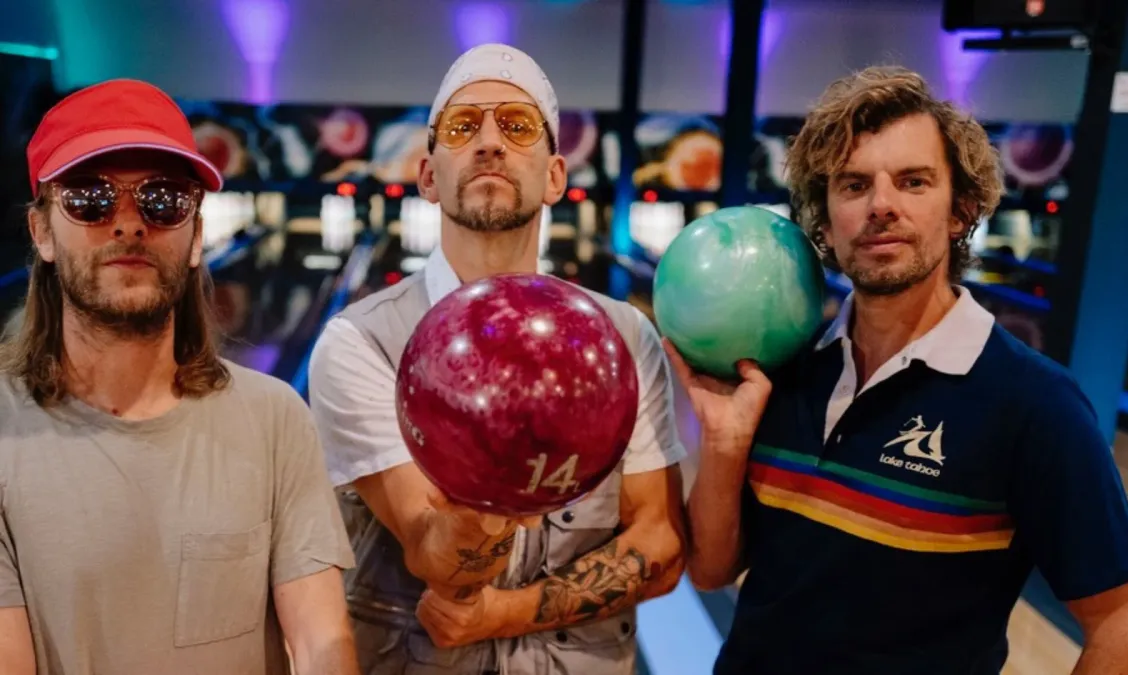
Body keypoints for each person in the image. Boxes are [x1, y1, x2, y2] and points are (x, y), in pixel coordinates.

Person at [674, 66, 1128, 674]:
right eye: (854, 185)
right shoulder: (787, 371)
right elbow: (712, 570)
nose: (881, 205)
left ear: (961, 210)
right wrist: (725, 445)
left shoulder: (1035, 405)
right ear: (824, 223)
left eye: (913, 182)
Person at [307, 43, 687, 674]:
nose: (489, 142)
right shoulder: (360, 341)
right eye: (462, 127)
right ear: (428, 176)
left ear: (556, 176)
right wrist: (486, 505)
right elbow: (430, 550)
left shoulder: (622, 338)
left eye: (517, 125)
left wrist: (508, 613)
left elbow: (663, 544)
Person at [0, 79, 359, 675]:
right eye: (89, 198)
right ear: (42, 233)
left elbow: (323, 640)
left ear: (196, 236)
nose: (129, 224)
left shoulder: (275, 418)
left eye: (163, 199)